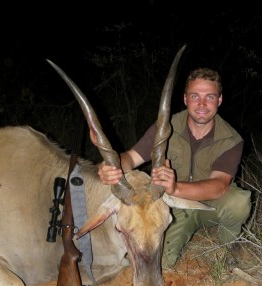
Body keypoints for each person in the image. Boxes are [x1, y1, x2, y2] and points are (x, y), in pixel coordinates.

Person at [97, 67, 252, 268]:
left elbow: (219, 186)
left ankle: (229, 243)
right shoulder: (165, 127)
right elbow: (130, 158)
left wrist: (175, 188)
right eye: (195, 96)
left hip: (212, 204)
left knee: (238, 202)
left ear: (219, 100)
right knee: (163, 262)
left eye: (210, 97)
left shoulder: (231, 139)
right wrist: (112, 167)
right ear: (185, 99)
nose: (202, 104)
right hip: (174, 206)